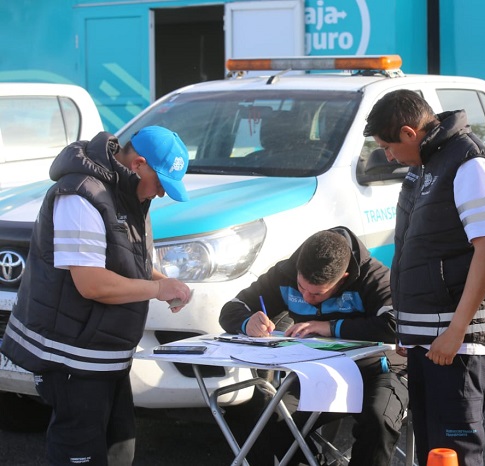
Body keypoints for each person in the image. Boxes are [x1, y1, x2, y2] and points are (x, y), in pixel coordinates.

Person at [0, 126, 193, 465]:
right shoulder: (81, 195)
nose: (161, 194)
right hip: (73, 359)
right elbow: (91, 283)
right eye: (161, 184)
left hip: (106, 357)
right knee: (81, 455)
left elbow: (126, 262)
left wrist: (167, 284)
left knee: (120, 454)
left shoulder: (127, 194)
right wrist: (158, 288)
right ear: (138, 164)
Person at [363, 90, 485, 466]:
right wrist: (409, 330)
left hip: (455, 344)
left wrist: (456, 332)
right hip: (428, 340)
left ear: (410, 132)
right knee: (433, 451)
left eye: (388, 146)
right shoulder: (428, 164)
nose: (388, 156)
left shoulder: (468, 164)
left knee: (454, 454)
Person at [219, 226, 408, 466]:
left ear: (343, 279)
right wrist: (247, 323)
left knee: (378, 421)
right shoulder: (284, 272)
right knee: (276, 420)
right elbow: (231, 308)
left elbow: (397, 324)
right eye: (301, 288)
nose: (307, 297)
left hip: (380, 371)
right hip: (319, 373)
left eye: (317, 294)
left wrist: (329, 327)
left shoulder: (374, 277)